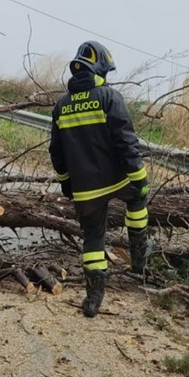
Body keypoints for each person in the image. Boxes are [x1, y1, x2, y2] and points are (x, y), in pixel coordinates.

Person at [49, 41, 152, 318]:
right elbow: (126, 142)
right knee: (138, 199)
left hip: (85, 188)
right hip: (118, 180)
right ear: (100, 69)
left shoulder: (62, 105)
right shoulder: (109, 97)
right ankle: (139, 258)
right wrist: (139, 177)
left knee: (93, 239)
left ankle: (94, 298)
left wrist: (66, 183)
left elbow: (56, 151)